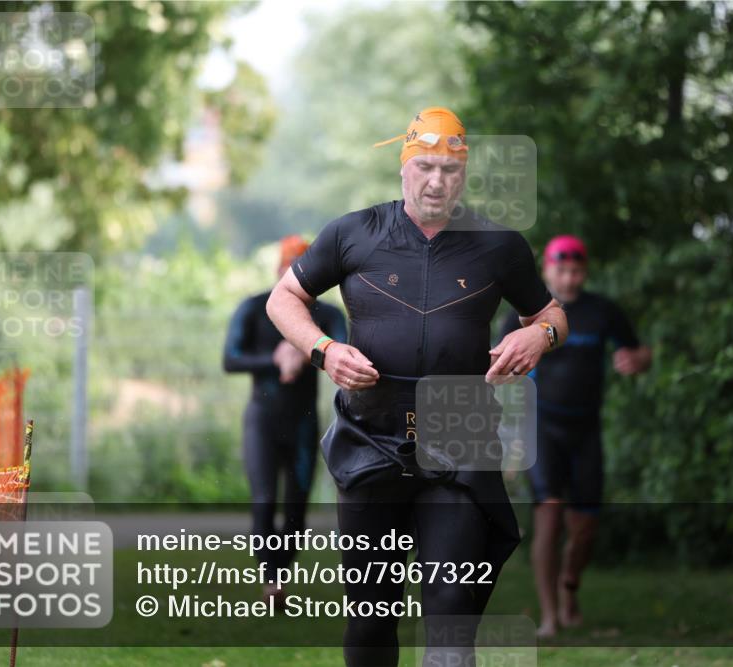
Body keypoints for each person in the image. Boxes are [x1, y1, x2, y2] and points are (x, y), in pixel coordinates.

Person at [266, 106, 568, 667]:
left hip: (458, 430)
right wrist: (325, 351)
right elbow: (283, 299)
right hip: (371, 433)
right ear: (404, 168)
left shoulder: (498, 244)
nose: (436, 181)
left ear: (464, 175)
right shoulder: (354, 233)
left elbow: (551, 313)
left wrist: (541, 336)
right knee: (370, 617)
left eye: (449, 170)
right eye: (425, 166)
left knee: (452, 617)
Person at [497, 234, 652, 637]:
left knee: (584, 527)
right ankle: (550, 616)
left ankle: (569, 590)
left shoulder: (603, 312)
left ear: (584, 271)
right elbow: (494, 361)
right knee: (549, 515)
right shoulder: (525, 312)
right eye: (561, 269)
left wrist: (636, 360)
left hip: (586, 430)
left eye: (576, 270)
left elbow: (638, 352)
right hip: (542, 426)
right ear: (547, 269)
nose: (569, 277)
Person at [223, 235, 347, 605]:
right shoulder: (253, 308)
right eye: (292, 267)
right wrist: (275, 360)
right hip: (261, 420)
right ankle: (271, 578)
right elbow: (230, 360)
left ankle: (280, 571)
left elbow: (342, 352)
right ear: (280, 269)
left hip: (303, 423)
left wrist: (304, 349)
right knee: (263, 499)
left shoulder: (330, 315)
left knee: (296, 504)